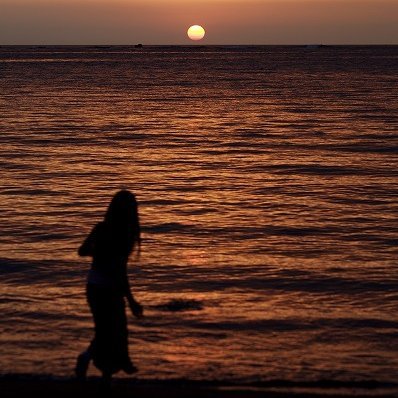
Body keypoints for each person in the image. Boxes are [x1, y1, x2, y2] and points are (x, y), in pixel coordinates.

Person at [75, 189, 144, 383]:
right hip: (109, 289)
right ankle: (94, 362)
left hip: (93, 286)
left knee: (106, 331)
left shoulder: (101, 228)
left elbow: (82, 251)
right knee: (113, 331)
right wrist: (131, 300)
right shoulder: (124, 235)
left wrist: (100, 251)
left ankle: (104, 371)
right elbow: (120, 272)